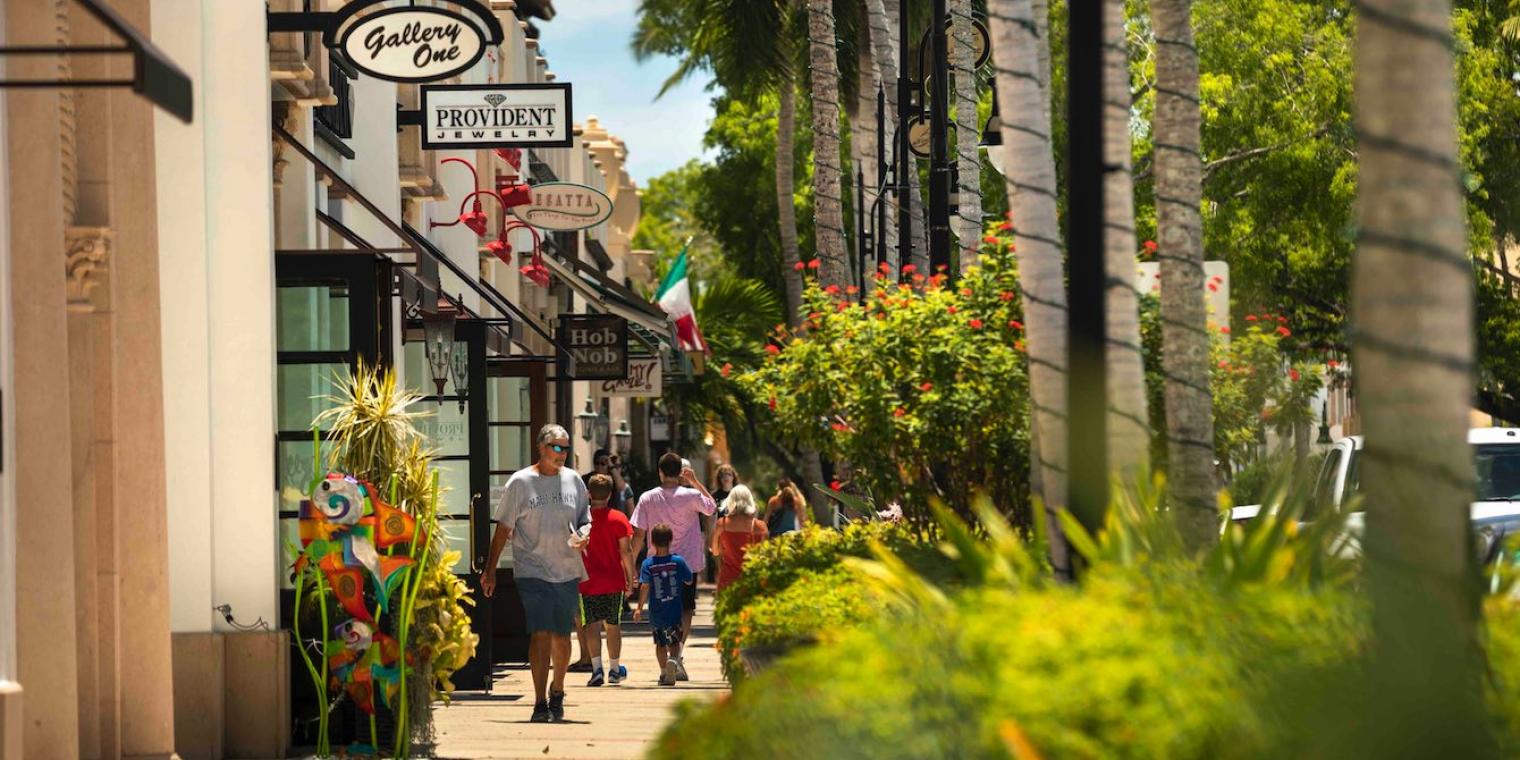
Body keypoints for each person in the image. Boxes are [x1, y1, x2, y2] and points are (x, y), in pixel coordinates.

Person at [482, 424, 591, 724]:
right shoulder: (520, 482)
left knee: (561, 634)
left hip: (566, 567)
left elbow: (585, 518)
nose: (561, 453)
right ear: (541, 448)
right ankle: (540, 701)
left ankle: (558, 689)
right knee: (541, 630)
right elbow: (503, 528)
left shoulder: (574, 481)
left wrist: (584, 534)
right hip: (532, 568)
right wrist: (490, 571)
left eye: (565, 448)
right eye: (556, 447)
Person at [630, 452, 716, 679]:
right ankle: (676, 656)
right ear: (680, 473)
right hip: (686, 563)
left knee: (661, 609)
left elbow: (638, 534)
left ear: (660, 472)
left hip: (657, 564)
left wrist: (631, 565)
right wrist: (695, 481)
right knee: (685, 609)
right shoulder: (691, 495)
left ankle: (666, 659)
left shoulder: (647, 498)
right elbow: (711, 507)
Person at [577, 473, 636, 687]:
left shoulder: (581, 520)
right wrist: (631, 577)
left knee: (591, 625)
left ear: (588, 494)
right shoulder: (619, 519)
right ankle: (614, 668)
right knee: (613, 625)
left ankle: (596, 669)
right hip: (613, 580)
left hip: (587, 580)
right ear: (610, 495)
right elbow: (626, 550)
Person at [632, 523, 694, 686]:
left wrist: (638, 608)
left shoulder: (648, 564)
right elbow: (689, 579)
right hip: (674, 610)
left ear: (652, 542)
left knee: (660, 644)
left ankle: (663, 672)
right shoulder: (678, 561)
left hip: (657, 612)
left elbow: (644, 585)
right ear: (671, 540)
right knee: (674, 642)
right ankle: (673, 660)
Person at [710, 485, 768, 592]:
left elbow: (715, 551)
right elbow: (764, 555)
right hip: (751, 580)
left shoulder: (721, 524)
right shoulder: (761, 526)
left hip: (728, 580)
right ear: (750, 501)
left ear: (731, 501)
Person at [592, 448, 636, 515]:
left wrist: (611, 466)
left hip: (616, 520)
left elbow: (622, 488)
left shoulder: (617, 482)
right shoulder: (590, 480)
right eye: (597, 463)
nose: (599, 466)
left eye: (603, 463)